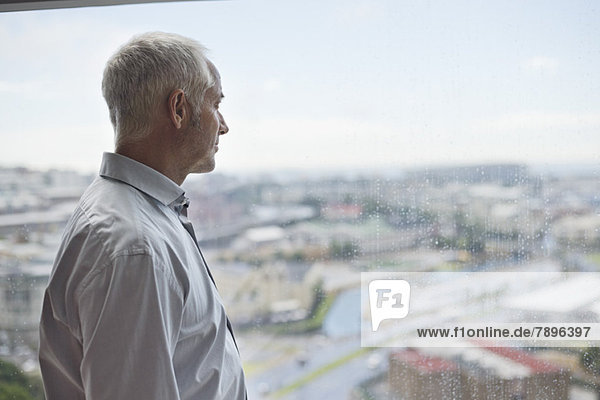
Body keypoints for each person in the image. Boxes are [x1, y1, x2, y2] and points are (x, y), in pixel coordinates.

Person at [38, 32, 247, 400]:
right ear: (179, 109)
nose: (224, 125)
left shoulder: (136, 215)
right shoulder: (135, 248)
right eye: (216, 104)